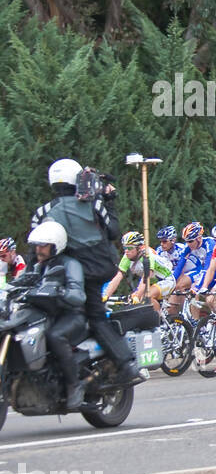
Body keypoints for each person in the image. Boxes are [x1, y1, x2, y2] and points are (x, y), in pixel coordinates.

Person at [29, 158, 144, 385]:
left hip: (63, 272)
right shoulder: (93, 204)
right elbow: (112, 231)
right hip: (98, 268)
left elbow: (36, 247)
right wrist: (108, 200)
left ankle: (121, 365)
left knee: (65, 316)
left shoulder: (42, 211)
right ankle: (126, 364)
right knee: (95, 317)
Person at [22, 221, 90, 409]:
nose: (38, 249)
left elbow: (78, 295)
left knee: (55, 336)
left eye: (43, 245)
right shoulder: (38, 265)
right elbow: (22, 282)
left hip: (71, 315)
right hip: (46, 314)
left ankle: (74, 385)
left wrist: (61, 292)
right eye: (37, 245)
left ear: (55, 245)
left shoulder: (70, 264)